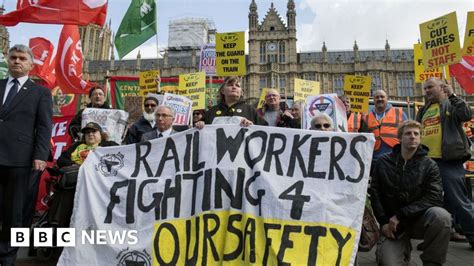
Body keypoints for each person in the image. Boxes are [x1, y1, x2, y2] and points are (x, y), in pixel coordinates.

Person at [370, 120, 451, 265]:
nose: (412, 137)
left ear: (420, 138)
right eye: (408, 133)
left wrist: (401, 214)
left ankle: (432, 262)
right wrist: (383, 223)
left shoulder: (430, 165)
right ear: (400, 138)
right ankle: (402, 249)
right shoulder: (383, 162)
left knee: (441, 216)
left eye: (416, 134)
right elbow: (375, 193)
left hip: (419, 221)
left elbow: (434, 197)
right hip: (393, 227)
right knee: (389, 263)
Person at [0, 44, 53, 265]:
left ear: (31, 64)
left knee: (15, 212)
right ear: (7, 60)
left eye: (22, 58)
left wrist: (40, 155)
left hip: (20, 159)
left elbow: (43, 126)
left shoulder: (40, 92)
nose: (17, 61)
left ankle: (7, 256)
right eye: (13, 57)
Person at [416, 77, 474, 250]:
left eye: (430, 87)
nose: (426, 91)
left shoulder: (451, 104)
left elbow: (466, 114)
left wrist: (453, 95)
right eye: (425, 88)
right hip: (428, 162)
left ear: (442, 87)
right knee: (431, 202)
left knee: (459, 202)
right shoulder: (424, 109)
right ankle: (435, 239)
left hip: (448, 162)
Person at [199, 76, 267, 127]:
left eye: (237, 85)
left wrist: (252, 126)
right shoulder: (211, 112)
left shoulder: (250, 110)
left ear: (241, 92)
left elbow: (265, 130)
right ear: (222, 90)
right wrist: (200, 126)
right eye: (230, 85)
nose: (234, 87)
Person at [365, 90, 407, 159]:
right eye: (377, 97)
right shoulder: (367, 117)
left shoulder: (399, 112)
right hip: (374, 157)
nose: (380, 99)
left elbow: (406, 133)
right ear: (373, 100)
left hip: (394, 155)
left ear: (387, 98)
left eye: (382, 97)